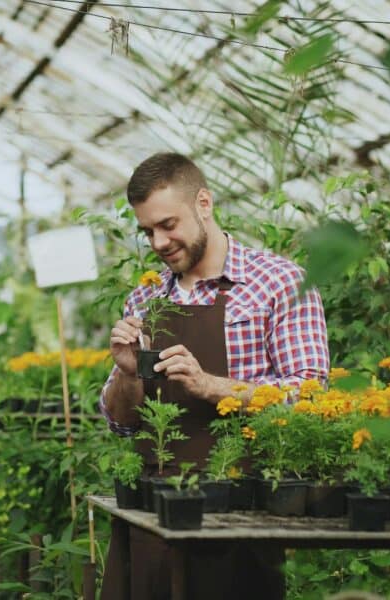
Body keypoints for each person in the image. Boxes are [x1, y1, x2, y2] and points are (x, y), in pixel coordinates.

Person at [99, 153, 329, 599]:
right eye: (147, 231)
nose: (159, 242)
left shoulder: (278, 283)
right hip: (152, 513)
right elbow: (121, 423)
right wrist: (128, 375)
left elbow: (311, 396)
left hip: (239, 515)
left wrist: (211, 386)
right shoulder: (145, 298)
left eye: (168, 225)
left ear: (203, 203)